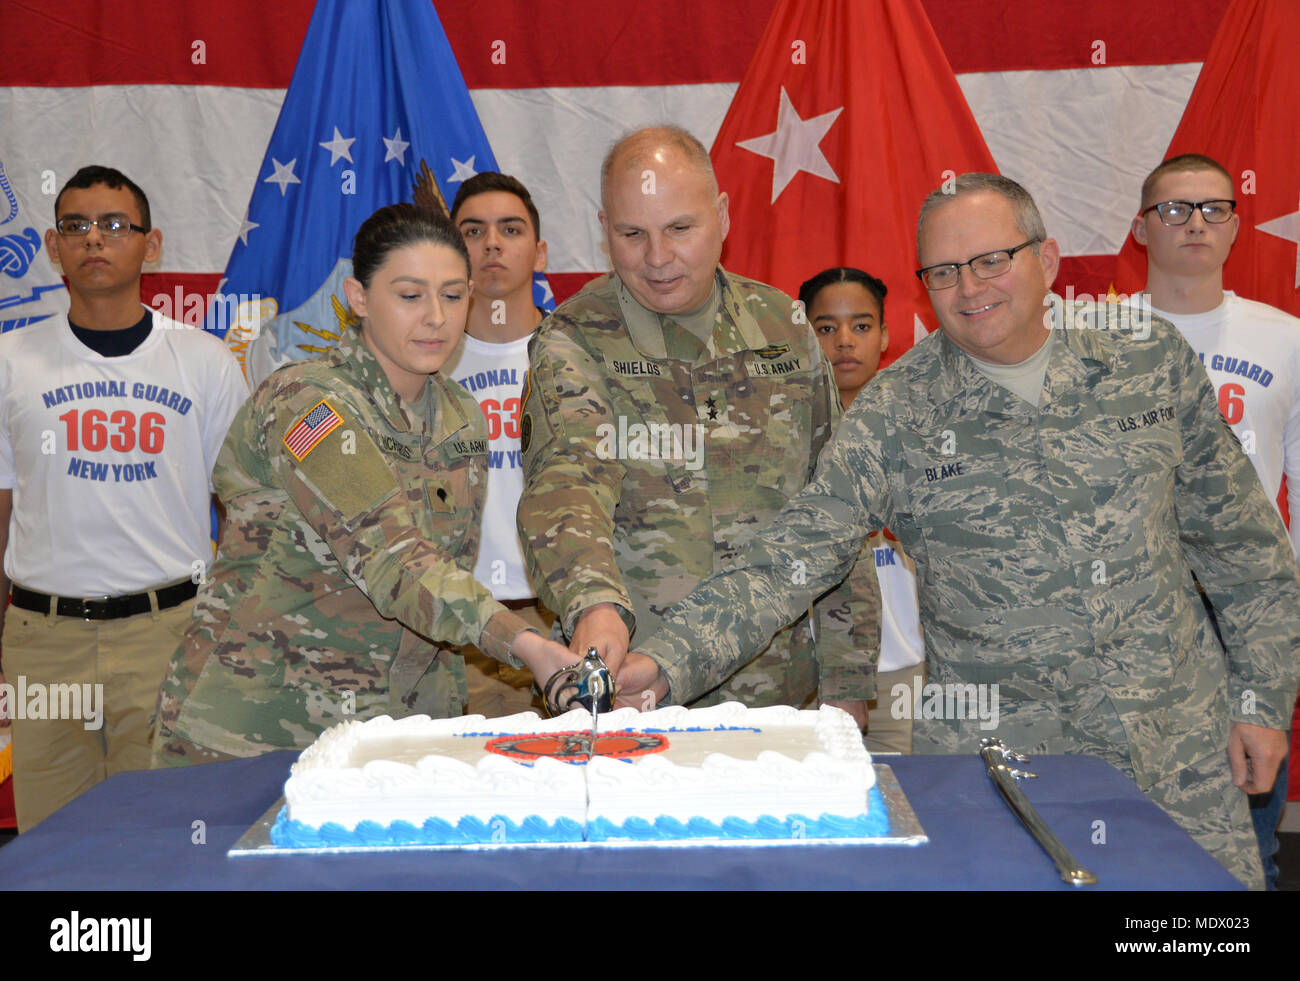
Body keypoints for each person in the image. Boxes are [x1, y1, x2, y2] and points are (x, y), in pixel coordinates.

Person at [619, 173, 1300, 889]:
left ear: (1048, 259)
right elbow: (791, 557)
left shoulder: (1146, 358)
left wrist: (1260, 697)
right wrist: (665, 660)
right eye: (943, 271)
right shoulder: (897, 413)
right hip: (1006, 780)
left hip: (1178, 756)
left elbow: (1244, 549)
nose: (969, 287)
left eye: (991, 260)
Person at [151, 204, 578, 766]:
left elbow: (447, 567)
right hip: (262, 726)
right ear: (358, 298)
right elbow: (393, 557)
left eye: (453, 295)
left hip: (399, 729)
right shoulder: (307, 402)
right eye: (409, 295)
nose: (435, 318)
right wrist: (526, 644)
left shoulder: (458, 413)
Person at [518, 125, 871, 717]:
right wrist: (594, 604)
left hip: (777, 697)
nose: (657, 258)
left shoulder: (783, 328)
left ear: (723, 216)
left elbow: (836, 509)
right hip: (630, 690)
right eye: (633, 234)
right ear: (605, 231)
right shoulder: (572, 340)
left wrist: (848, 678)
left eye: (680, 228)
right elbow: (569, 485)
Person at [0, 165, 248, 829]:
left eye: (114, 225)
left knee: (164, 837)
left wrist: (232, 630)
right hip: (44, 639)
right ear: (53, 248)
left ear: (152, 242)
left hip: (168, 629)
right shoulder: (10, 361)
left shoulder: (203, 361)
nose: (94, 240)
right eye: (75, 227)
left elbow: (251, 510)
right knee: (53, 844)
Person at [1131, 152, 1300, 888]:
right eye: (1174, 209)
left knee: (1242, 850)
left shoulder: (1285, 339)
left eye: (1213, 208)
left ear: (1237, 225)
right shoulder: (1091, 338)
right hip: (1129, 614)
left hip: (1243, 619)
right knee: (1122, 842)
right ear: (1141, 227)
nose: (1195, 223)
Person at [800, 267, 925, 753]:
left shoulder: (923, 431)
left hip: (902, 672)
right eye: (826, 328)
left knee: (907, 812)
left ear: (886, 335)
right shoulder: (781, 436)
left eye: (862, 326)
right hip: (808, 677)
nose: (844, 341)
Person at [444, 172, 552, 718]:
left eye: (510, 229)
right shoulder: (424, 365)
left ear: (540, 251)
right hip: (457, 622)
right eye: (472, 230)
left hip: (564, 615)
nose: (491, 243)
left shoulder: (581, 358)